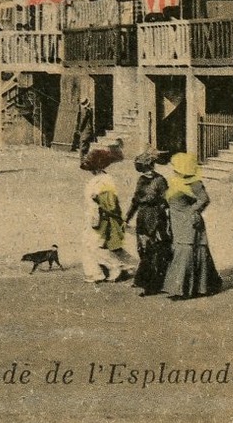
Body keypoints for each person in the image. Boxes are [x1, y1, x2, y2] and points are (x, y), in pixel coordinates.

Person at [162, 152, 223, 300]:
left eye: (176, 166)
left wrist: (192, 211)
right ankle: (195, 287)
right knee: (182, 249)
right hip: (177, 220)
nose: (173, 168)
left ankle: (182, 289)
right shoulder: (175, 181)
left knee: (186, 250)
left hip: (189, 222)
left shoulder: (194, 183)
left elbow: (204, 199)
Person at [80, 147, 135, 283]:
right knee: (94, 244)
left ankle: (116, 267)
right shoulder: (101, 179)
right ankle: (98, 272)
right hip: (94, 215)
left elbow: (109, 203)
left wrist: (97, 203)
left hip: (101, 217)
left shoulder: (104, 181)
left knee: (94, 245)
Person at [124, 151, 172, 295]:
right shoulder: (142, 180)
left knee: (156, 251)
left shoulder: (160, 180)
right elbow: (135, 200)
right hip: (143, 216)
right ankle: (143, 279)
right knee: (144, 250)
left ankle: (153, 285)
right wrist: (127, 218)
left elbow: (166, 200)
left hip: (156, 217)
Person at [72, 96, 97, 160]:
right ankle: (85, 161)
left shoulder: (85, 111)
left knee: (83, 147)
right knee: (86, 146)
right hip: (89, 131)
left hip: (85, 131)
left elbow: (82, 121)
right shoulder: (89, 110)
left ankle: (83, 161)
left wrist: (79, 130)